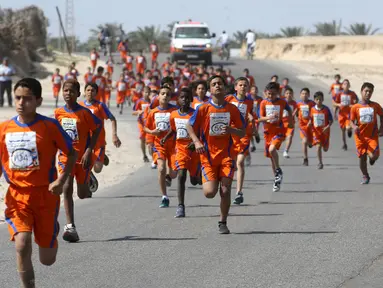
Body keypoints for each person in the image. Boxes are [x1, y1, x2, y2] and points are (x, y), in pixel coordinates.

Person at [1, 78, 76, 288]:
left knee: (47, 259)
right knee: (22, 243)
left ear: (38, 100)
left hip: (46, 197)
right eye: (18, 98)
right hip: (17, 197)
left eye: (27, 98)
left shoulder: (49, 126)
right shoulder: (4, 129)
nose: (21, 103)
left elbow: (71, 153)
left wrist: (61, 180)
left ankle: (52, 228)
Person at [186, 75, 245, 234]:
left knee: (225, 191)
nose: (217, 86)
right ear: (210, 89)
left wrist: (231, 130)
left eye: (220, 83)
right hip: (208, 157)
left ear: (225, 88)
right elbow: (189, 126)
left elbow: (243, 130)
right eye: (214, 84)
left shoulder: (232, 109)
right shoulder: (203, 108)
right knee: (210, 193)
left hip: (226, 156)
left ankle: (223, 222)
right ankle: (201, 174)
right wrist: (197, 142)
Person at [54, 79, 101, 242]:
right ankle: (70, 226)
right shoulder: (58, 113)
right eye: (65, 91)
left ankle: (88, 180)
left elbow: (97, 128)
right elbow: (55, 135)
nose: (68, 94)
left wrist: (89, 150)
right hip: (65, 157)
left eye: (72, 91)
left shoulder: (84, 113)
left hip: (83, 158)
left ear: (78, 94)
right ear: (62, 93)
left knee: (82, 194)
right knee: (66, 187)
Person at [161, 87, 199, 217]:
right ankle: (181, 206)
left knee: (194, 180)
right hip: (181, 148)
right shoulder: (174, 115)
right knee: (181, 175)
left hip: (194, 151)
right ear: (178, 100)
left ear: (191, 100)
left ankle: (197, 175)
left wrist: (196, 143)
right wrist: (166, 137)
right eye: (182, 97)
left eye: (188, 97)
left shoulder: (195, 114)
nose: (185, 100)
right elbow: (173, 129)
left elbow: (201, 132)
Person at [79, 83, 122, 181]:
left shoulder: (100, 106)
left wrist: (114, 135)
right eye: (88, 90)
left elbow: (112, 119)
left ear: (96, 93)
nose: (90, 92)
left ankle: (100, 157)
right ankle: (89, 173)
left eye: (92, 90)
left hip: (98, 141)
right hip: (85, 141)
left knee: (97, 169)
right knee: (83, 163)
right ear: (84, 92)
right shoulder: (80, 106)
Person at [144, 86, 178, 207]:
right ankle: (164, 196)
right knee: (161, 168)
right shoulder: (153, 112)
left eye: (167, 94)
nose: (165, 96)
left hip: (174, 146)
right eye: (162, 93)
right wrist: (153, 132)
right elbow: (146, 127)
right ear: (158, 96)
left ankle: (169, 176)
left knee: (174, 174)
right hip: (160, 145)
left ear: (170, 97)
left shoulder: (175, 110)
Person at [258, 82, 293, 192]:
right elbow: (260, 118)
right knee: (272, 159)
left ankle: (278, 170)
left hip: (279, 131)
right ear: (265, 93)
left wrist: (291, 121)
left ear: (278, 93)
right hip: (268, 133)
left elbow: (289, 110)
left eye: (273, 94)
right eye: (269, 94)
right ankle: (277, 179)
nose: (271, 96)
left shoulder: (282, 102)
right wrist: (269, 117)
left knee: (272, 149)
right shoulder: (263, 103)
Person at [225, 77, 255, 204]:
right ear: (236, 87)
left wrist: (251, 119)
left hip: (243, 135)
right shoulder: (229, 99)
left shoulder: (249, 101)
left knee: (240, 162)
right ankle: (226, 188)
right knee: (231, 163)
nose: (243, 87)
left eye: (245, 85)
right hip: (229, 135)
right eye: (241, 85)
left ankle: (239, 192)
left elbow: (251, 115)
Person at [350, 82, 383, 184]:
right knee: (362, 158)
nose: (368, 93)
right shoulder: (355, 107)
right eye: (366, 91)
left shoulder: (375, 106)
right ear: (361, 91)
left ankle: (371, 158)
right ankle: (365, 175)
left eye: (370, 91)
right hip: (360, 137)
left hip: (372, 136)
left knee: (374, 156)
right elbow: (351, 121)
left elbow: (382, 116)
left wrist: (381, 128)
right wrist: (354, 126)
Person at [332, 79, 358, 151]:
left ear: (349, 86)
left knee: (348, 128)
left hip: (349, 114)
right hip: (341, 115)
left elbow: (356, 103)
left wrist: (353, 105)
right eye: (344, 84)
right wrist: (335, 111)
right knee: (343, 130)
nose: (346, 85)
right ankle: (344, 144)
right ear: (342, 86)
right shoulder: (339, 94)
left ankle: (349, 130)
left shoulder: (352, 94)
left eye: (347, 84)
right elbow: (334, 103)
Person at [310, 91, 333, 169]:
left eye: (320, 99)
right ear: (314, 100)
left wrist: (327, 127)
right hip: (316, 132)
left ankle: (325, 145)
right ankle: (320, 162)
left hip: (325, 132)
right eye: (317, 99)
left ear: (323, 99)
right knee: (318, 146)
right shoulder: (312, 109)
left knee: (325, 149)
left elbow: (331, 121)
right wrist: (309, 123)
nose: (318, 101)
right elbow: (311, 119)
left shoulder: (326, 109)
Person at [295, 88, 315, 166]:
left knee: (310, 143)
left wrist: (311, 121)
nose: (304, 95)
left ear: (309, 95)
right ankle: (305, 158)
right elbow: (295, 112)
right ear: (300, 95)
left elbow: (315, 112)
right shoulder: (298, 104)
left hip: (311, 126)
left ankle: (310, 142)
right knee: (304, 141)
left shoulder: (312, 103)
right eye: (303, 93)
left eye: (306, 93)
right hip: (302, 126)